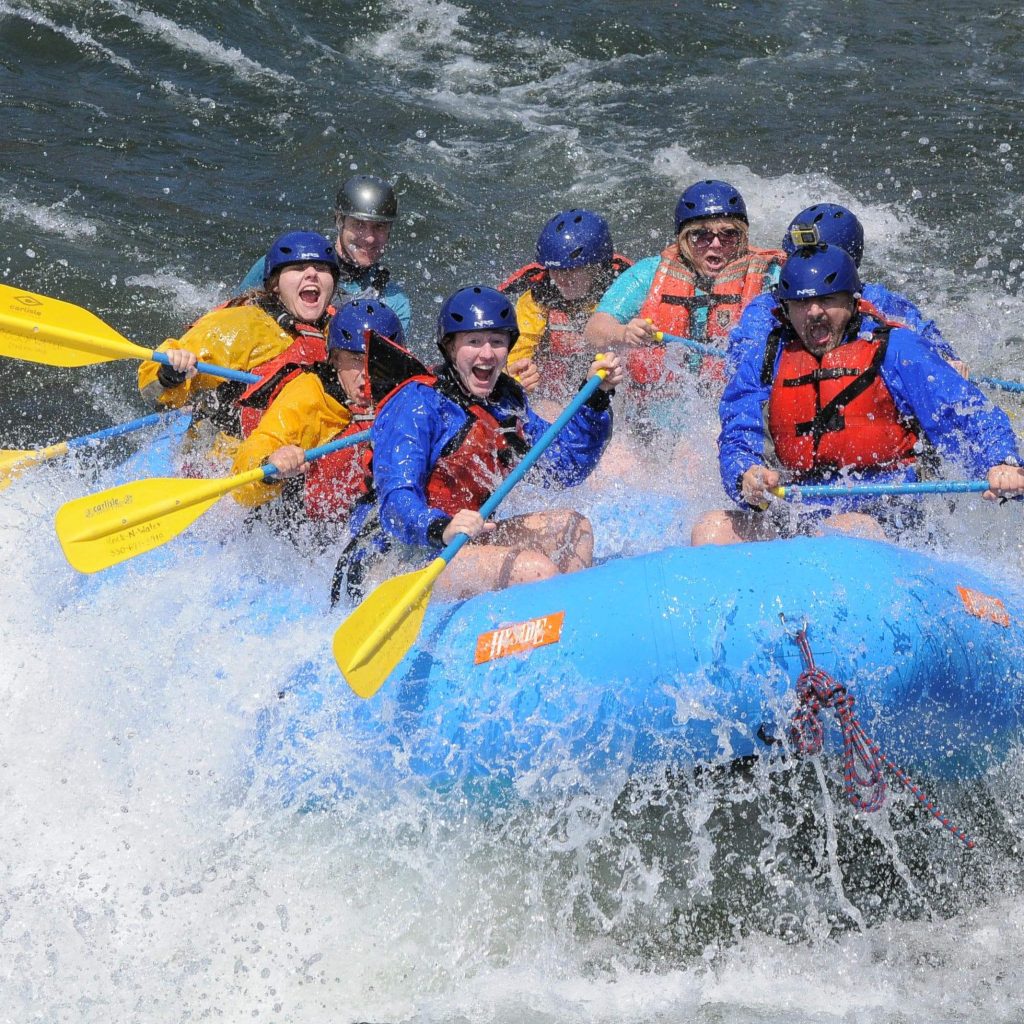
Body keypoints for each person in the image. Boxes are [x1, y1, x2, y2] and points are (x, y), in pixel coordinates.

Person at [691, 244, 1024, 546]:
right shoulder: (765, 360)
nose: (815, 312)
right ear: (785, 310)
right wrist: (746, 474)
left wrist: (1001, 463)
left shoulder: (896, 350)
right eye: (802, 303)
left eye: (828, 300)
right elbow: (739, 434)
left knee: (842, 529)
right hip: (800, 511)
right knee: (710, 529)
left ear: (853, 303)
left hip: (890, 517)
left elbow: (967, 415)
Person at [353, 285, 622, 602]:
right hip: (402, 555)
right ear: (451, 348)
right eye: (473, 342)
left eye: (497, 342)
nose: (486, 353)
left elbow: (565, 468)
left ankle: (560, 621)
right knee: (535, 570)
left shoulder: (505, 404)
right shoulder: (416, 403)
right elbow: (395, 501)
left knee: (572, 529)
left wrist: (594, 400)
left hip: (463, 540)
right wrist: (440, 527)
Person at [138, 231, 340, 464]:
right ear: (275, 285)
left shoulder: (340, 331)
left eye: (321, 268)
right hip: (229, 462)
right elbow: (154, 393)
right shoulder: (239, 327)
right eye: (297, 268)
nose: (312, 274)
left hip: (303, 456)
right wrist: (169, 374)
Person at [584, 179, 785, 397]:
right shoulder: (649, 273)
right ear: (683, 239)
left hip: (735, 406)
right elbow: (594, 330)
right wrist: (623, 333)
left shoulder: (768, 275)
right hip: (653, 414)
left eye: (728, 234)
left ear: (742, 237)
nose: (716, 244)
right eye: (701, 235)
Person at [725, 202, 966, 376]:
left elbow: (927, 339)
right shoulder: (768, 307)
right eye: (796, 261)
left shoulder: (878, 300)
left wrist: (945, 362)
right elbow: (743, 358)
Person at [230, 298, 405, 537]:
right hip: (298, 530)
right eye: (354, 359)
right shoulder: (308, 397)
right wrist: (270, 464)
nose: (367, 373)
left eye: (378, 361)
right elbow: (243, 481)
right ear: (334, 358)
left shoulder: (410, 392)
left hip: (364, 514)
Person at [238, 174, 411, 335]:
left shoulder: (393, 301)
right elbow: (235, 313)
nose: (370, 238)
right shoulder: (283, 263)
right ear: (339, 221)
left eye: (379, 226)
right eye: (359, 224)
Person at [499, 209, 631, 409]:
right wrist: (515, 377)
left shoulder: (625, 290)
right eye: (556, 270)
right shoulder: (538, 298)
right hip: (553, 399)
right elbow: (518, 351)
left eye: (572, 270)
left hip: (610, 391)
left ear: (597, 267)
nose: (561, 279)